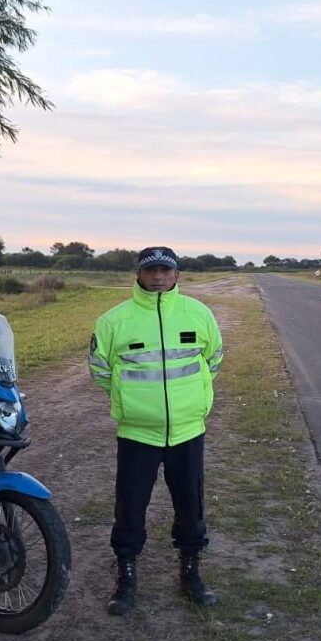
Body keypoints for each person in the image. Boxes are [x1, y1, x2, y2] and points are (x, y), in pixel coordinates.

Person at [88, 246, 224, 615]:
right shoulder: (114, 321)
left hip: (187, 431)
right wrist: (130, 400)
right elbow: (100, 369)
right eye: (151, 271)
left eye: (166, 270)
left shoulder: (199, 314)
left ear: (177, 274)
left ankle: (191, 573)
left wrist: (192, 399)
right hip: (137, 434)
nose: (159, 277)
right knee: (130, 508)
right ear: (139, 274)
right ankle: (126, 577)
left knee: (190, 505)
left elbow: (213, 359)